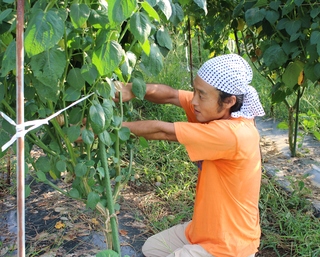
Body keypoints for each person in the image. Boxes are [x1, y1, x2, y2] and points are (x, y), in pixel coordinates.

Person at [116, 54, 265, 257]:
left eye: (201, 95)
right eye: (194, 90)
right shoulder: (215, 108)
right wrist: (130, 89)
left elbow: (163, 131)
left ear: (229, 101)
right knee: (151, 248)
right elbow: (171, 95)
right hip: (205, 229)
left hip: (229, 245)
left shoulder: (233, 134)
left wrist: (104, 129)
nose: (193, 100)